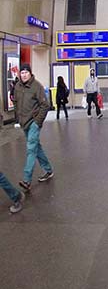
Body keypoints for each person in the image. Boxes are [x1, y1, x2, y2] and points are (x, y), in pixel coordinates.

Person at [14, 63, 54, 192]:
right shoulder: (17, 86)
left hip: (33, 123)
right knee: (36, 147)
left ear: (30, 73)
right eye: (22, 72)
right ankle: (48, 170)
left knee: (31, 149)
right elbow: (16, 103)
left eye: (26, 72)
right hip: (23, 122)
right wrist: (18, 118)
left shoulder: (37, 86)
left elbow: (45, 105)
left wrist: (37, 122)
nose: (24, 75)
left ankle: (26, 180)